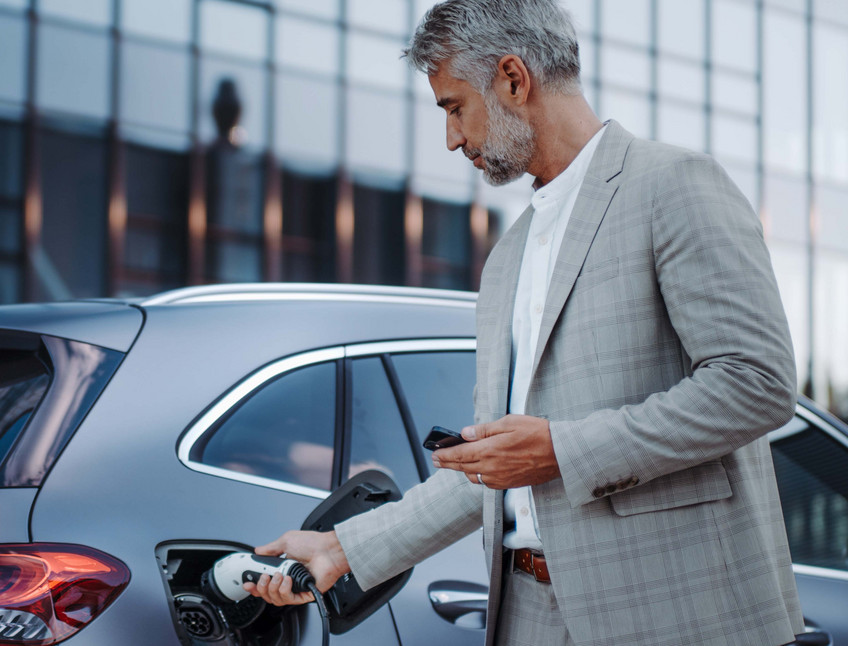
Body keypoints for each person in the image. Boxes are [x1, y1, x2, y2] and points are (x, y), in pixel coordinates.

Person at [245, 1, 804, 645]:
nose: (453, 139)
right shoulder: (508, 255)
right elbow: (492, 466)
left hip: (678, 615)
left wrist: (561, 450)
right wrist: (342, 547)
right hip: (527, 616)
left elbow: (756, 383)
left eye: (454, 107)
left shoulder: (674, 186)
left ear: (514, 78)